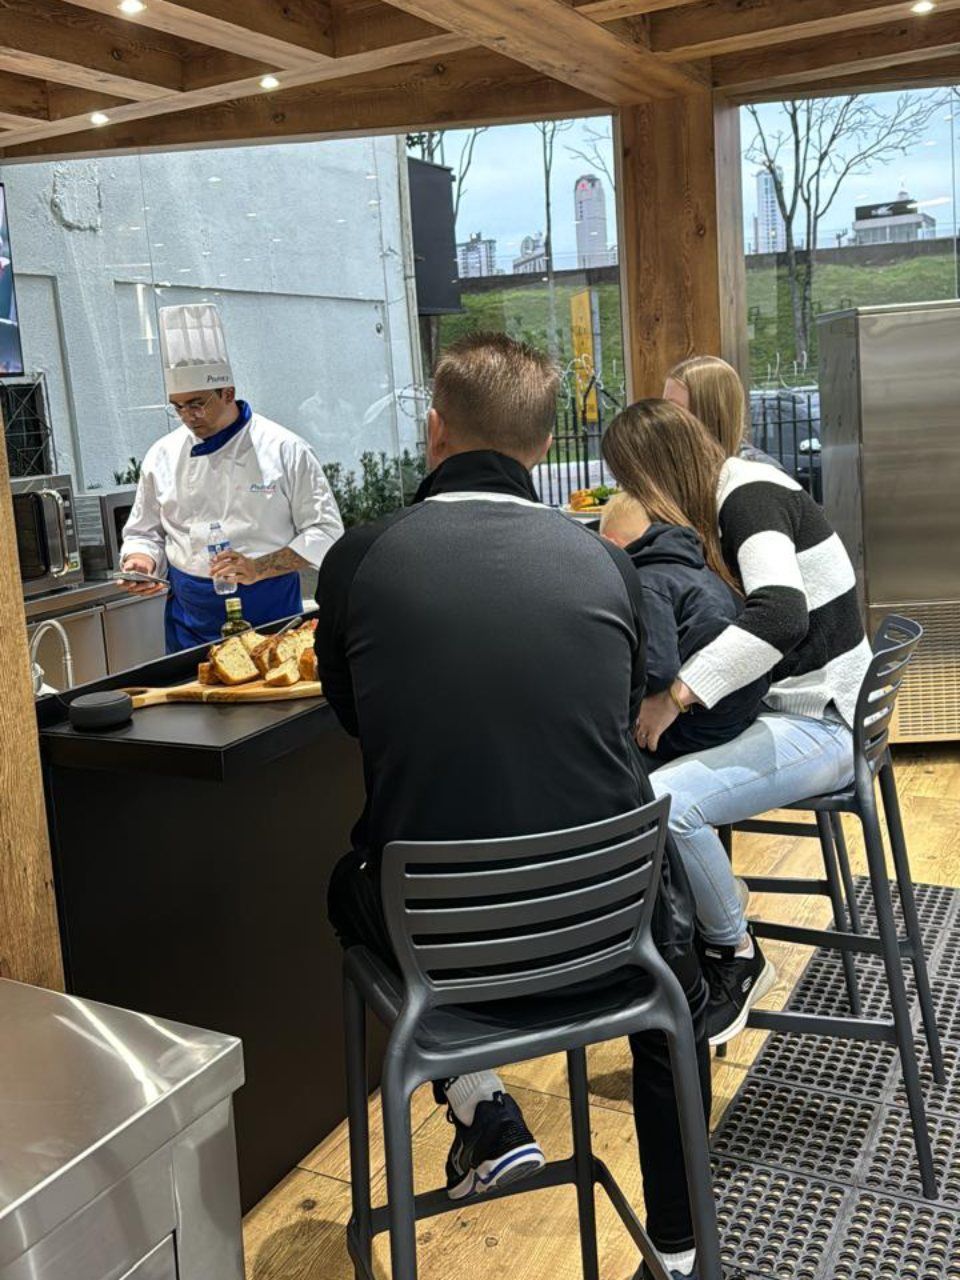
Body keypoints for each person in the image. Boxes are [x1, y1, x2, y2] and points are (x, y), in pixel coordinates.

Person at [317, 334, 720, 1280]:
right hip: (610, 932)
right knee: (682, 990)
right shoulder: (609, 566)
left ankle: (476, 1096)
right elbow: (627, 709)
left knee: (347, 886)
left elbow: (354, 718)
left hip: (444, 947)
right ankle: (679, 1240)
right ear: (544, 448)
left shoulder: (360, 563)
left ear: (434, 430)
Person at [602, 399, 872, 1049]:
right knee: (665, 777)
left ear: (655, 472)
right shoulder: (741, 488)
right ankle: (706, 905)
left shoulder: (746, 496)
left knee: (667, 798)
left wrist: (677, 694)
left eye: (631, 481)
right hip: (816, 707)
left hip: (824, 720)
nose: (630, 496)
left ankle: (735, 952)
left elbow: (781, 616)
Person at [120, 304, 343, 651]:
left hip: (269, 611)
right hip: (190, 619)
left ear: (227, 392)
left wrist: (259, 567)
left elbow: (327, 533)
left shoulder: (285, 449)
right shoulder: (161, 455)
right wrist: (141, 559)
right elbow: (144, 532)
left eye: (197, 404)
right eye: (177, 407)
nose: (188, 417)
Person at [599, 493, 769, 766]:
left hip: (702, 723)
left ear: (610, 544)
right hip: (742, 705)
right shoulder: (697, 566)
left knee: (610, 751)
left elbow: (659, 671)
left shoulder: (646, 583)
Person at [663, 356, 782, 469]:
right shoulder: (672, 464)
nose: (664, 415)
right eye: (665, 406)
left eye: (676, 408)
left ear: (712, 412)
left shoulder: (759, 474)